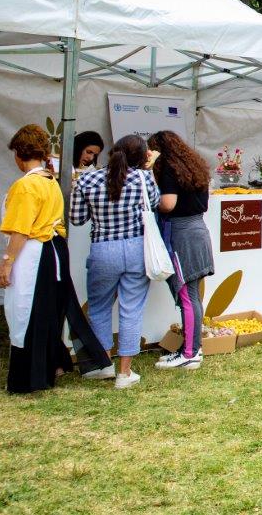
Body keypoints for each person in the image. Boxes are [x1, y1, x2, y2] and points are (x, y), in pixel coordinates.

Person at [2, 124, 112, 393]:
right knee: (49, 311)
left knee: (26, 311)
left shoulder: (26, 186)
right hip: (54, 249)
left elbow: (20, 229)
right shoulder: (51, 180)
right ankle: (53, 365)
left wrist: (7, 261)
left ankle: (29, 376)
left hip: (34, 250)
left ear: (19, 153)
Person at [70, 134, 160, 389]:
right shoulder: (143, 178)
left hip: (102, 248)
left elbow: (76, 219)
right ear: (142, 156)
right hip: (135, 248)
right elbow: (153, 204)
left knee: (98, 309)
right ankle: (125, 372)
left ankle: (103, 365)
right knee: (131, 310)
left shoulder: (87, 178)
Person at [146, 131, 215, 370]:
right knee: (192, 295)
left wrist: (152, 189)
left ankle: (189, 353)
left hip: (181, 235)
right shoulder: (193, 167)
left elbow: (168, 204)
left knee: (186, 294)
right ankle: (192, 349)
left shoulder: (169, 170)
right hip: (197, 229)